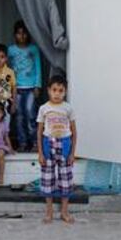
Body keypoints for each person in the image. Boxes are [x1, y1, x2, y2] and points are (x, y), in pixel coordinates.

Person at [36, 74, 76, 224]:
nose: (57, 93)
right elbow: (39, 132)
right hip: (48, 146)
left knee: (65, 181)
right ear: (48, 91)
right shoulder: (44, 108)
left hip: (65, 147)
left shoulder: (68, 108)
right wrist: (40, 153)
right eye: (54, 90)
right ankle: (49, 213)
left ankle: (64, 212)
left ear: (65, 92)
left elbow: (74, 132)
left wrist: (72, 153)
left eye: (61, 90)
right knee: (48, 181)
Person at [7, 20, 41, 151]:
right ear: (15, 35)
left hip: (31, 88)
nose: (22, 36)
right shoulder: (11, 50)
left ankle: (34, 142)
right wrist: (9, 87)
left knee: (30, 113)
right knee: (19, 116)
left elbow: (38, 67)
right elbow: (7, 68)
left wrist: (38, 85)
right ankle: (22, 143)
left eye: (24, 33)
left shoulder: (33, 49)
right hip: (17, 88)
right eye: (19, 33)